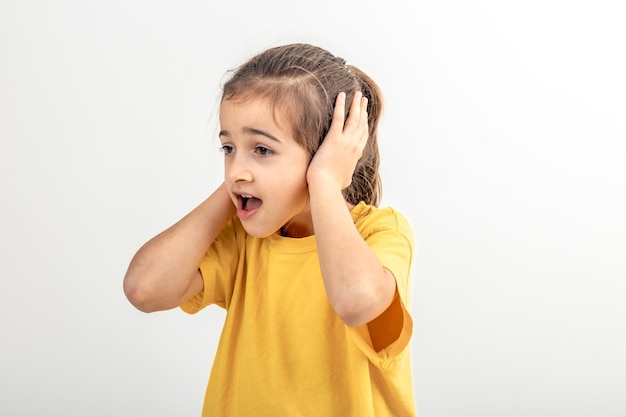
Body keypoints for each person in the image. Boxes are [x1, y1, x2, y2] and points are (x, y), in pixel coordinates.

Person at [123, 43, 417, 417]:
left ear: (330, 150)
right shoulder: (245, 240)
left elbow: (356, 301)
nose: (234, 169)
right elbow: (144, 289)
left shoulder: (381, 233)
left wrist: (325, 180)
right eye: (228, 148)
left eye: (261, 149)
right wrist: (235, 188)